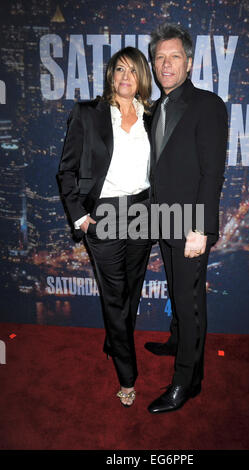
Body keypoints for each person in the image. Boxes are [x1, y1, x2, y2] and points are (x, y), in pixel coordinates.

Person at [57, 47, 153, 407]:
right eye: (119, 70)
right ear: (111, 76)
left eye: (133, 71)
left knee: (132, 292)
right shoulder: (88, 114)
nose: (126, 77)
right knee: (114, 296)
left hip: (144, 211)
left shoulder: (153, 115)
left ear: (142, 77)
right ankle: (127, 377)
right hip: (106, 214)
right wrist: (81, 217)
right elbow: (66, 170)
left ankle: (115, 339)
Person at [145, 23, 228, 414]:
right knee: (178, 289)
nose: (166, 63)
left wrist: (202, 228)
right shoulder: (158, 107)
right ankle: (178, 341)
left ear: (189, 62)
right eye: (160, 57)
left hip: (190, 224)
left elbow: (213, 173)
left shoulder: (207, 105)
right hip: (164, 219)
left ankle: (187, 382)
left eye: (174, 56)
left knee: (190, 300)